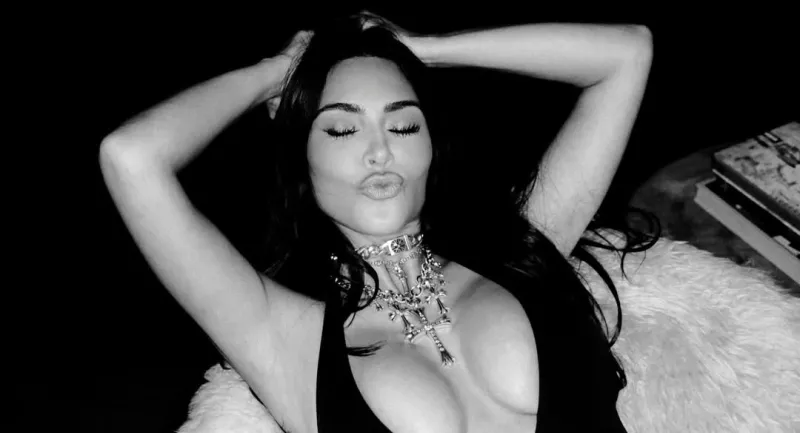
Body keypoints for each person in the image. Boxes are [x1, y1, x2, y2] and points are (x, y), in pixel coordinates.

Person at [99, 11, 658, 433]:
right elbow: (131, 157)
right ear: (302, 158)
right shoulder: (285, 338)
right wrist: (277, 75)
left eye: (403, 126)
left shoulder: (520, 248)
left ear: (432, 146)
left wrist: (424, 49)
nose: (379, 151)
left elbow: (626, 54)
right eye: (342, 130)